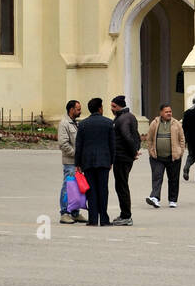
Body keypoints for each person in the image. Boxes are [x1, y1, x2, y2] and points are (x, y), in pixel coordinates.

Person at [74, 98, 115, 227]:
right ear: (100, 108)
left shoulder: (83, 124)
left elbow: (78, 145)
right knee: (103, 190)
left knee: (90, 190)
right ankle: (103, 219)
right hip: (104, 161)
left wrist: (77, 164)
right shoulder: (108, 123)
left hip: (88, 162)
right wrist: (111, 161)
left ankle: (92, 219)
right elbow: (112, 145)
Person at [145, 104, 185, 209]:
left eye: (170, 111)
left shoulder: (176, 124)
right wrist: (151, 151)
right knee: (157, 177)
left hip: (173, 157)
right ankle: (155, 198)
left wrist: (180, 152)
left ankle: (172, 200)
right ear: (161, 113)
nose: (169, 113)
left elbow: (182, 139)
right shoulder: (155, 123)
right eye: (166, 112)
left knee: (173, 179)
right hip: (157, 157)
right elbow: (149, 139)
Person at [110, 95, 141, 226]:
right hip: (125, 157)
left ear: (119, 106)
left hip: (121, 157)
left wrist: (133, 152)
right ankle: (124, 214)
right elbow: (137, 136)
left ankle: (126, 216)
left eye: (113, 106)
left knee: (121, 186)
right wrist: (134, 150)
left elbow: (127, 136)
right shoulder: (130, 117)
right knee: (122, 185)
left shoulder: (121, 119)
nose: (111, 109)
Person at [58, 100, 84, 225]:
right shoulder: (64, 124)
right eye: (78, 109)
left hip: (78, 163)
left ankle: (75, 212)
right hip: (70, 162)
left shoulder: (75, 123)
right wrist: (76, 155)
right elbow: (63, 144)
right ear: (71, 109)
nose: (80, 111)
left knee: (77, 188)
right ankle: (64, 213)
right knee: (68, 188)